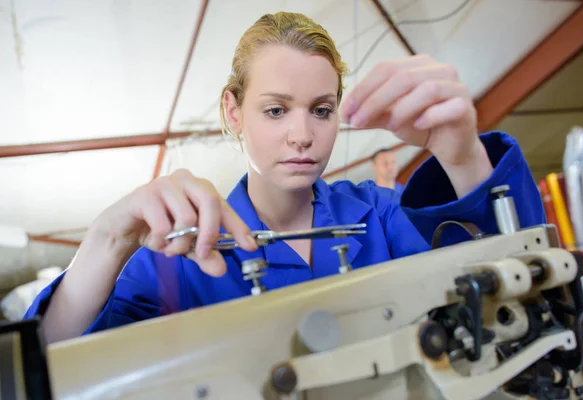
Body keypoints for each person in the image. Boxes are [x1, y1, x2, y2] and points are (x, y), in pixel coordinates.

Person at [24, 12, 544, 343]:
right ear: (233, 111)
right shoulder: (175, 257)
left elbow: (518, 295)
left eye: (321, 110)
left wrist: (461, 154)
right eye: (275, 111)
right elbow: (46, 364)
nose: (302, 136)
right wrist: (107, 238)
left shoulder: (382, 216)